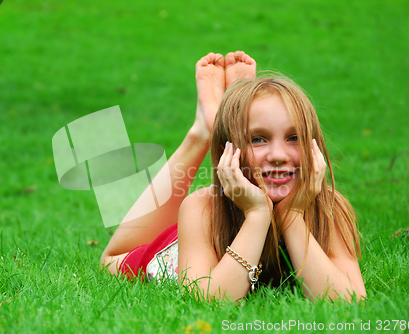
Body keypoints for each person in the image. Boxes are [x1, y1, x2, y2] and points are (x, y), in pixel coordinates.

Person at [100, 51, 367, 301]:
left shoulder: (329, 207)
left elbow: (349, 301)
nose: (278, 154)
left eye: (293, 138)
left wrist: (292, 214)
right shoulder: (203, 209)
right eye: (258, 139)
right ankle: (205, 131)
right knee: (111, 259)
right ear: (228, 155)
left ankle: (229, 116)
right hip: (183, 247)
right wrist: (257, 215)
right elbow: (209, 300)